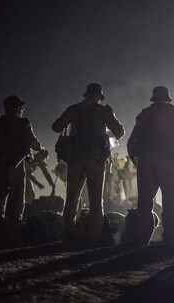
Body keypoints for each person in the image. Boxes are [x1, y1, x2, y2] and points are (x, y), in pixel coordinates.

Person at [52, 83, 125, 244]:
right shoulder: (104, 110)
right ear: (99, 96)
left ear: (86, 94)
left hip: (75, 158)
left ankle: (68, 236)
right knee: (96, 199)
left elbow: (56, 127)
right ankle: (94, 237)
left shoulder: (73, 109)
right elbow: (119, 131)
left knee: (71, 197)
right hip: (96, 160)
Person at [127, 86, 174, 245]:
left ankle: (142, 240)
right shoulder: (173, 111)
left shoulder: (144, 113)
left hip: (145, 160)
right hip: (167, 160)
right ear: (167, 98)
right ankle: (170, 239)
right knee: (169, 200)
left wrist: (136, 160)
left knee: (144, 201)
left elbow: (131, 142)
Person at [0, 95, 43, 239]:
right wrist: (39, 147)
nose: (22, 109)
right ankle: (13, 231)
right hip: (16, 164)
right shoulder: (23, 123)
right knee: (16, 198)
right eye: (20, 107)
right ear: (16, 109)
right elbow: (32, 142)